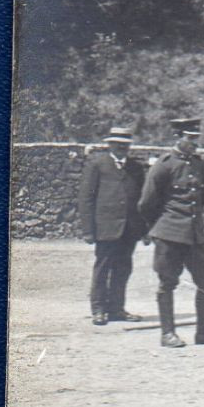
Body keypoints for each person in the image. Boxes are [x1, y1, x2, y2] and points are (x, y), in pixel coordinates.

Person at [138, 118, 204, 347]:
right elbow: (146, 203)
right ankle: (167, 333)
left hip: (195, 235)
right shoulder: (164, 165)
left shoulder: (198, 164)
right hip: (170, 234)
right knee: (167, 282)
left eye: (196, 138)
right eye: (190, 138)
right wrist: (158, 228)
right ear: (178, 137)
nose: (195, 142)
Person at [78, 126, 148, 325]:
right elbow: (86, 198)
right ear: (109, 144)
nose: (121, 148)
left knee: (123, 268)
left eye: (125, 145)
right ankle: (98, 309)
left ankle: (117, 309)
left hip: (130, 229)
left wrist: (144, 230)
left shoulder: (135, 167)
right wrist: (88, 230)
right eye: (117, 144)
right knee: (103, 268)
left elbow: (142, 200)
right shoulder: (97, 164)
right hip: (105, 227)